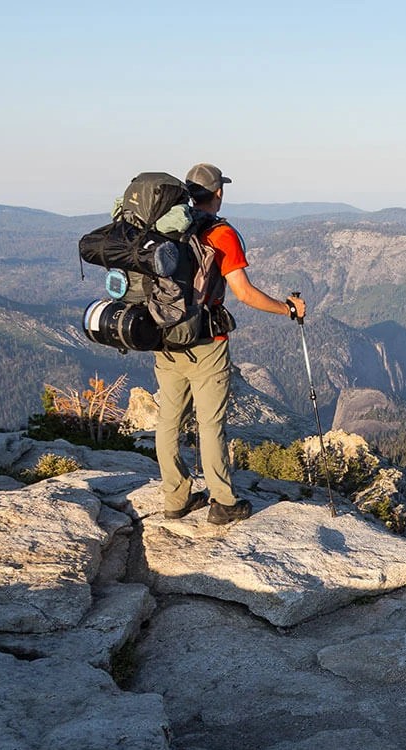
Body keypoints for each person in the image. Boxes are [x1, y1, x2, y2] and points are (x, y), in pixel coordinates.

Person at [157, 163, 306, 524]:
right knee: (210, 424)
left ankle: (175, 499)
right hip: (207, 340)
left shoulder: (164, 228)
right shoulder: (221, 234)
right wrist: (287, 309)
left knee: (168, 421)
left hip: (166, 336)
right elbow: (245, 293)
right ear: (218, 193)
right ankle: (222, 502)